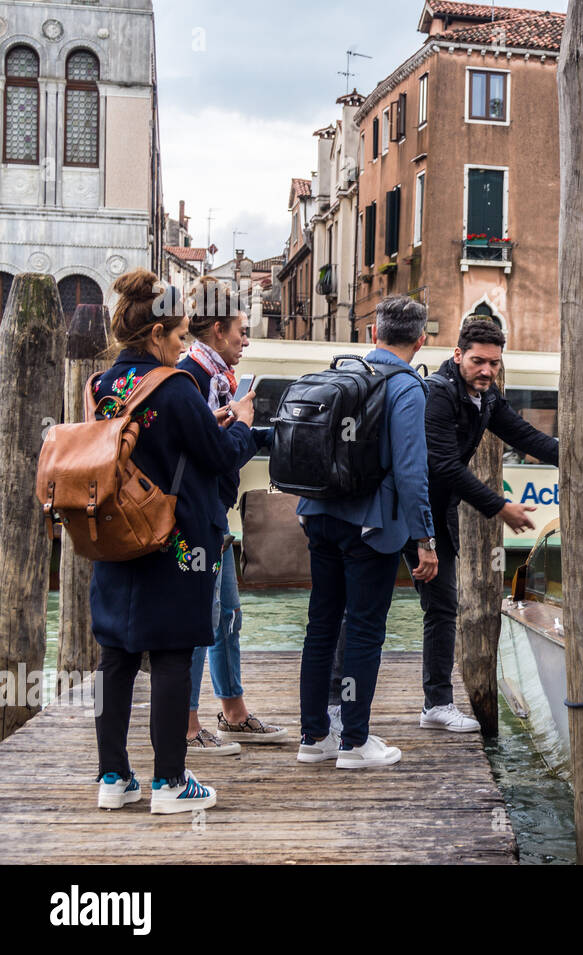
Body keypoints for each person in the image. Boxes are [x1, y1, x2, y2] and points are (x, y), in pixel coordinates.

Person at [91, 269, 258, 814]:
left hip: (115, 532)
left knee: (115, 653)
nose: (185, 345)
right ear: (159, 335)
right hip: (174, 537)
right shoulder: (176, 385)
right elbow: (218, 455)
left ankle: (113, 777)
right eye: (182, 336)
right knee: (170, 652)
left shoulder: (101, 384)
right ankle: (169, 783)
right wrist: (242, 423)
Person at [296, 296, 439, 768]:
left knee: (321, 625)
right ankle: (355, 742)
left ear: (371, 333)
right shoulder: (406, 387)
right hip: (371, 525)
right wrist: (425, 539)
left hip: (319, 513)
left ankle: (314, 738)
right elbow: (413, 471)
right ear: (421, 340)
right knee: (362, 629)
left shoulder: (342, 372)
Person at [417, 318, 559, 731]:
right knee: (363, 609)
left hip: (434, 514)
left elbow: (528, 438)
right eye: (478, 361)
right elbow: (442, 465)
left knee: (443, 607)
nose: (487, 371)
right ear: (457, 355)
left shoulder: (486, 397)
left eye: (494, 364)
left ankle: (436, 706)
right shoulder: (438, 395)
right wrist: (500, 507)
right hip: (402, 510)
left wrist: (580, 456)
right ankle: (338, 707)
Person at [177, 277, 287, 755]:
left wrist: (263, 434)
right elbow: (215, 455)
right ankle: (186, 725)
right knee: (200, 621)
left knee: (228, 617)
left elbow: (223, 445)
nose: (247, 339)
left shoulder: (215, 378)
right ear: (218, 330)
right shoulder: (194, 378)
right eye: (242, 330)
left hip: (215, 516)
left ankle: (234, 714)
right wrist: (244, 423)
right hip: (194, 518)